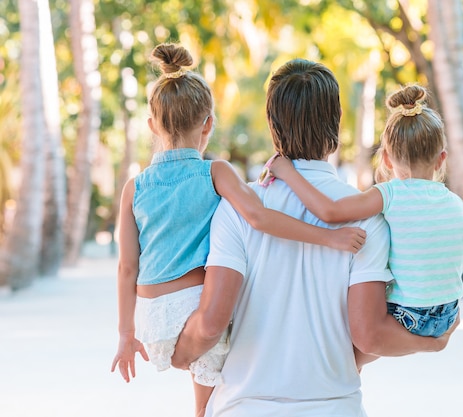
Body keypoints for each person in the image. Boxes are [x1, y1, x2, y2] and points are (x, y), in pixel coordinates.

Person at [171, 59, 460, 416]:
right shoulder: (370, 219)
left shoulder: (236, 209)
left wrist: (178, 353)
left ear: (271, 124)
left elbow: (212, 323)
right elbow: (368, 337)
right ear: (337, 121)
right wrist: (433, 343)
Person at [109, 45, 366, 417]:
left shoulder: (134, 188)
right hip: (194, 313)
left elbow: (126, 268)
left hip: (151, 320)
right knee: (212, 367)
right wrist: (329, 236)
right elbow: (260, 218)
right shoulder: (216, 174)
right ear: (207, 124)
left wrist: (125, 334)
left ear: (152, 125)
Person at [270, 84, 463, 341]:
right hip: (449, 314)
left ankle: (350, 365)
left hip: (410, 315)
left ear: (386, 159)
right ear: (441, 159)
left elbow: (329, 212)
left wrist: (287, 172)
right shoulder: (456, 202)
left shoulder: (390, 194)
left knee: (354, 326)